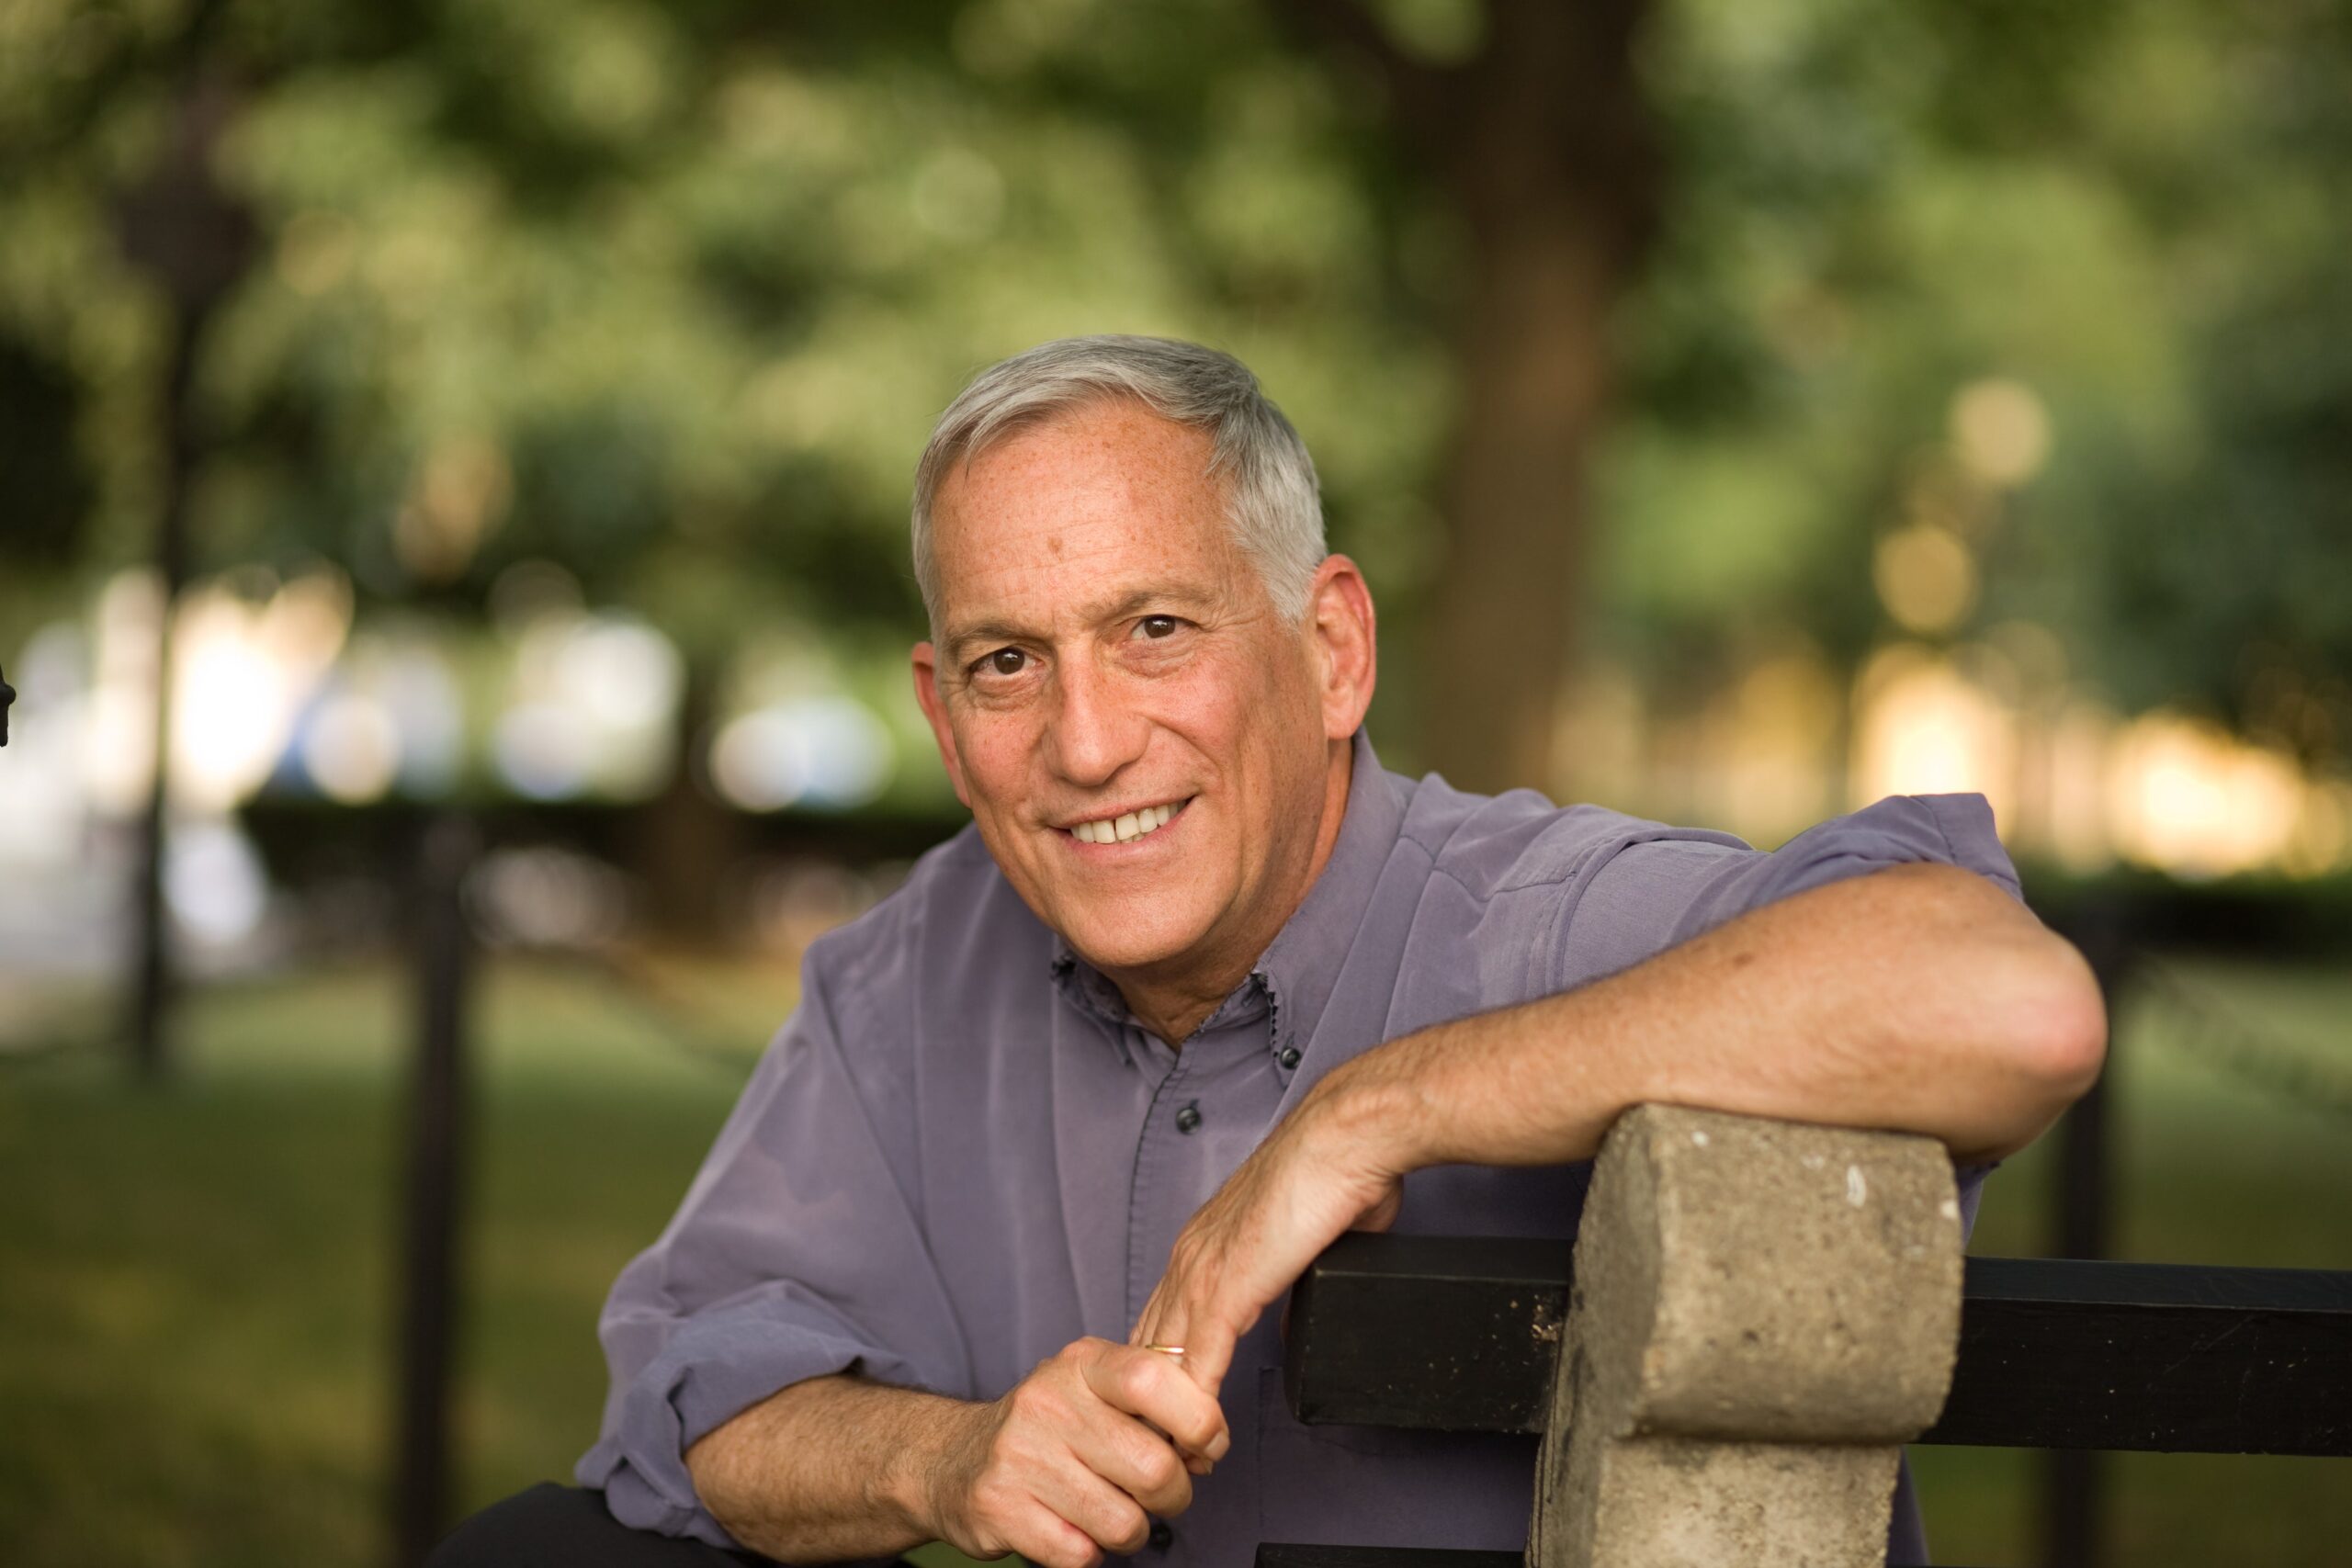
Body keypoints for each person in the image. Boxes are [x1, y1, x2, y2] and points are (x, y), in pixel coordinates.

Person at [430, 336, 2105, 1568]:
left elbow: (2006, 1004)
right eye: (1009, 663)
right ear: (944, 717)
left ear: (1332, 650)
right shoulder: (919, 968)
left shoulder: (1538, 918)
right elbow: (699, 1398)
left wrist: (1373, 1112)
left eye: (1156, 630)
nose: (1087, 742)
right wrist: (951, 1460)